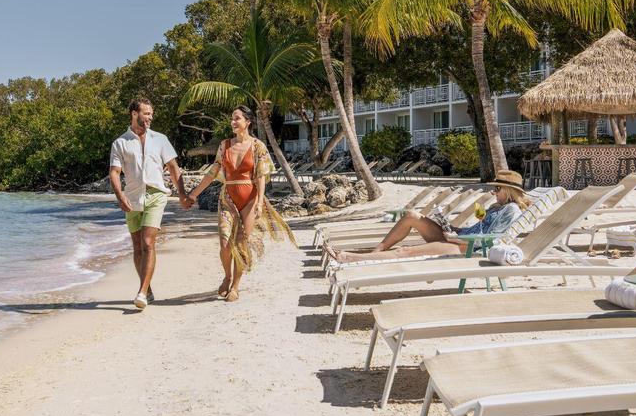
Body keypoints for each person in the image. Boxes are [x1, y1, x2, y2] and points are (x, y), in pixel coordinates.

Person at [186, 105, 294, 302]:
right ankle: (227, 276)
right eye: (232, 118)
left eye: (237, 118)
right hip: (228, 197)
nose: (233, 122)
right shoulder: (224, 145)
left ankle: (235, 286)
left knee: (241, 242)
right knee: (225, 243)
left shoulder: (257, 146)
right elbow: (212, 172)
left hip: (250, 199)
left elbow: (261, 176)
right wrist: (193, 194)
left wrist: (260, 202)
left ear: (247, 122)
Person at [325, 170, 530, 263]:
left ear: (509, 190)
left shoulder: (511, 210)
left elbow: (491, 241)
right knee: (412, 216)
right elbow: (480, 229)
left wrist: (455, 237)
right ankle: (375, 252)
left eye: (497, 188)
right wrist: (454, 229)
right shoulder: (497, 207)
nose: (493, 192)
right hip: (460, 238)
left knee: (406, 251)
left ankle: (350, 258)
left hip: (465, 247)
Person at [109, 98, 191, 310]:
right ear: (134, 114)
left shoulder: (160, 139)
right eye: (146, 114)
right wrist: (120, 196)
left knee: (147, 242)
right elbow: (115, 173)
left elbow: (173, 167)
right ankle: (147, 287)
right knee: (137, 246)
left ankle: (142, 293)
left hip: (156, 195)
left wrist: (181, 194)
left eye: (151, 114)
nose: (150, 118)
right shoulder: (120, 143)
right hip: (132, 198)